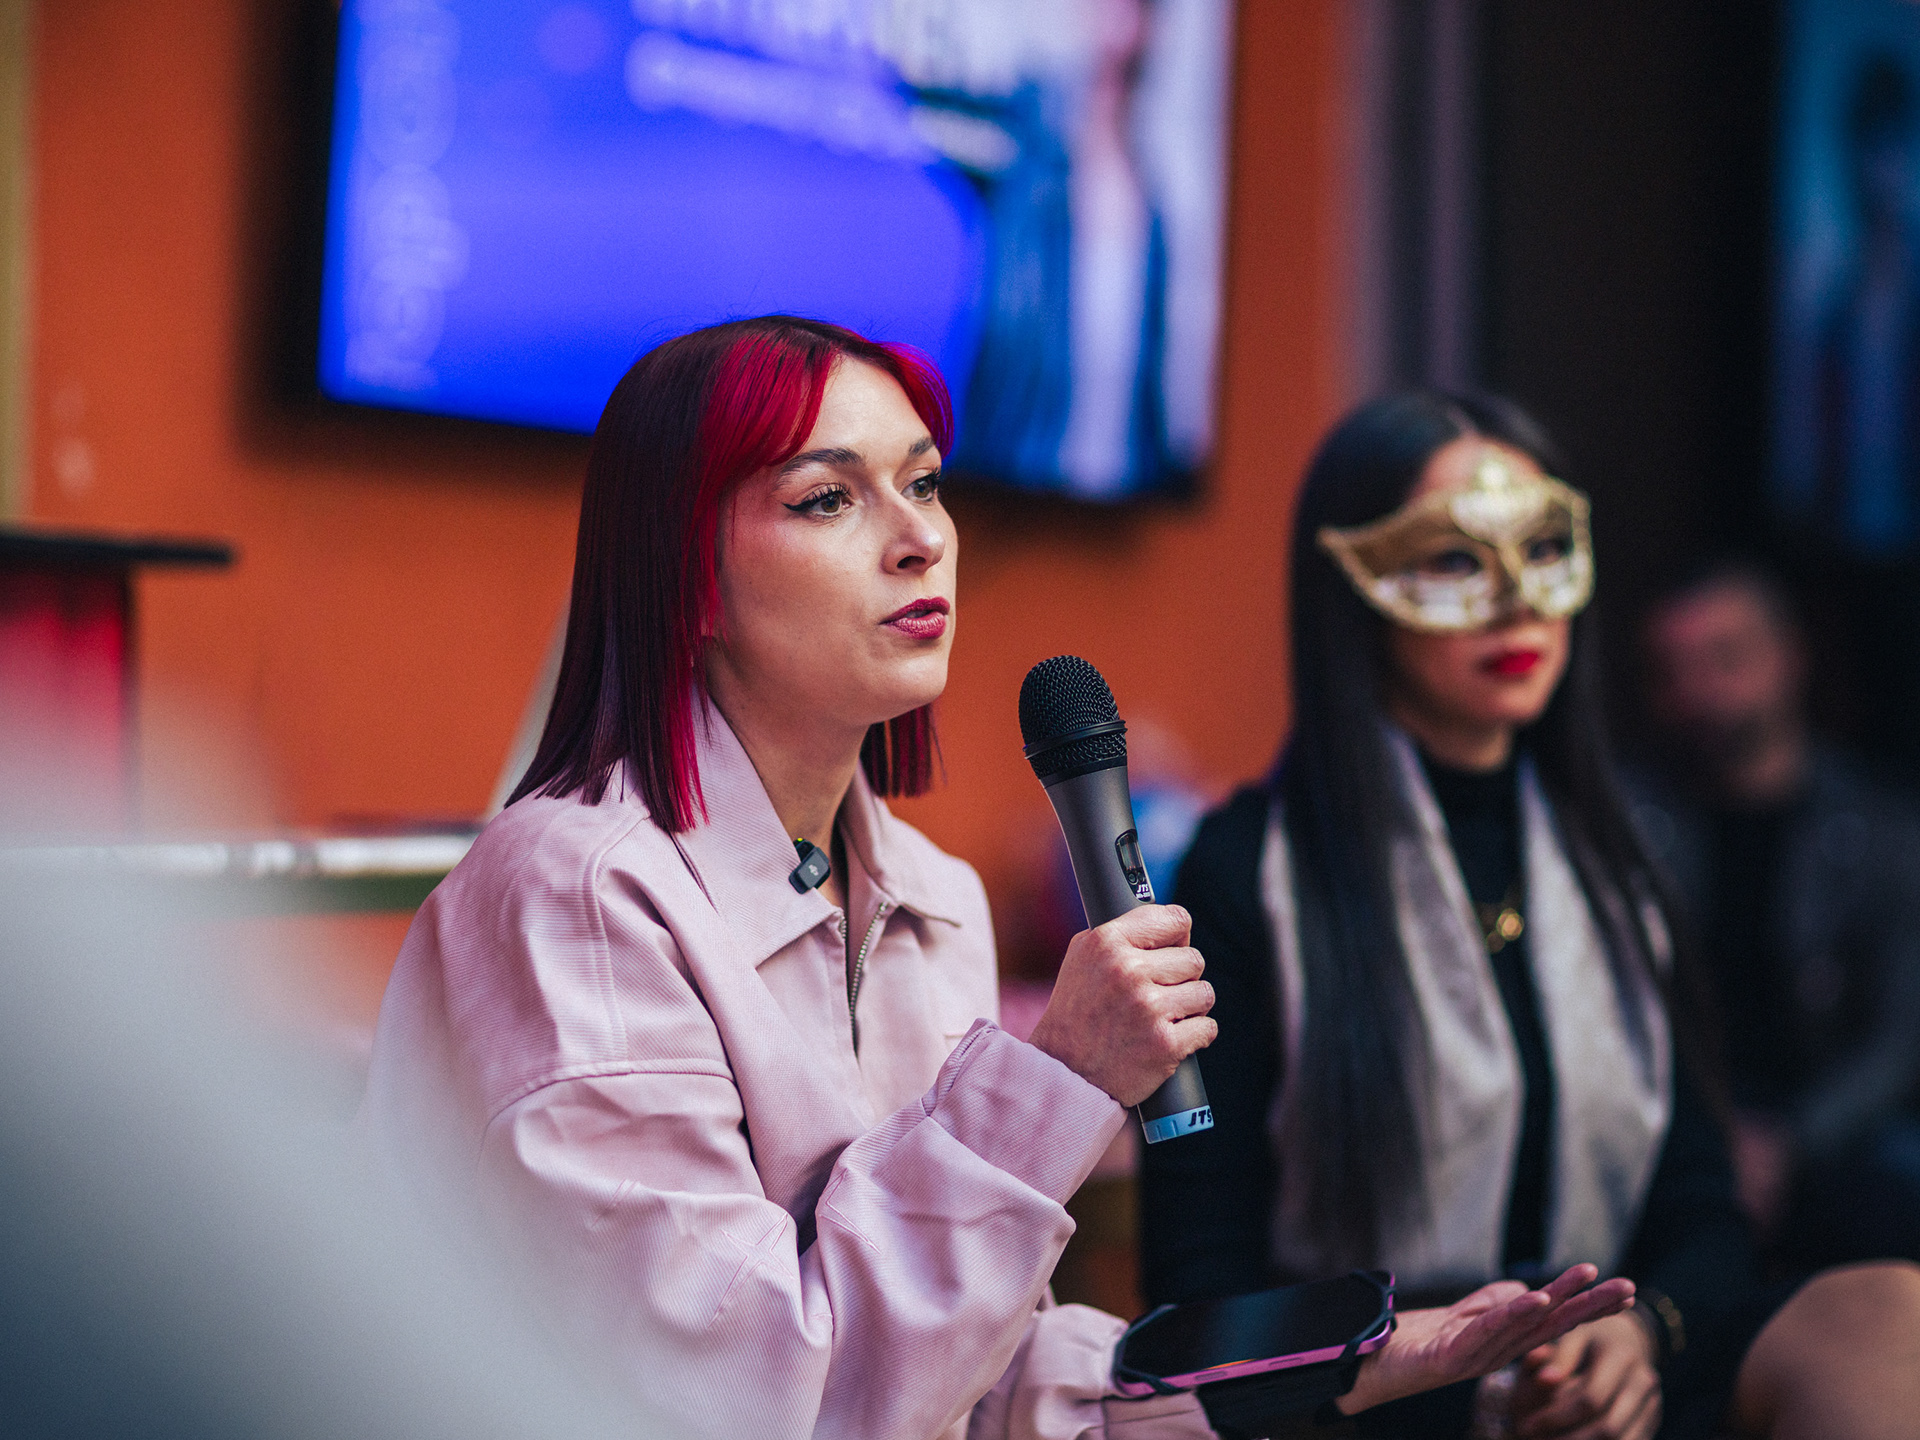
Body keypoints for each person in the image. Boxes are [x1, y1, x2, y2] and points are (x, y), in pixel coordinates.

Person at [358, 322, 1629, 1440]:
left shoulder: (934, 897)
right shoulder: (576, 891)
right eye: (827, 499)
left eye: (924, 482)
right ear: (685, 574)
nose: (921, 538)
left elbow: (971, 1381)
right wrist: (1055, 1079)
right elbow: (730, 1396)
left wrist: (1339, 1367)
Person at [1142, 391, 1920, 1440]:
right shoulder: (1249, 870)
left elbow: (1704, 1213)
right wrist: (1451, 1372)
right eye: (1453, 560)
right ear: (1354, 588)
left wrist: (1640, 1336)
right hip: (1375, 1391)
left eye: (1541, 549)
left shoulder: (1625, 858)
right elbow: (1197, 1287)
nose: (1515, 603)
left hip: (1609, 1365)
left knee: (1883, 1315)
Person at [1636, 561, 1920, 1268]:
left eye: (1725, 658)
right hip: (1676, 1133)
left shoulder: (1880, 832)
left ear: (1788, 657)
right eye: (1674, 671)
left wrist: (1792, 1142)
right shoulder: (1631, 828)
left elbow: (1899, 1038)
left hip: (1836, 1137)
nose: (1699, 691)